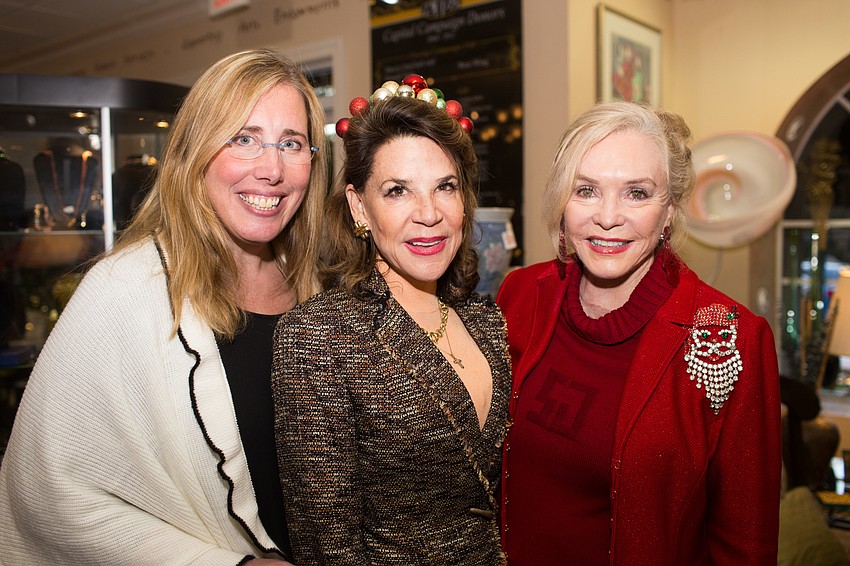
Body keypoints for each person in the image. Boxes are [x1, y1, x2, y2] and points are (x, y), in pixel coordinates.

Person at [0, 48, 328, 565]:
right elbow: (45, 491)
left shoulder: (319, 290)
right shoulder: (125, 290)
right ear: (193, 152)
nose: (272, 168)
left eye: (291, 143)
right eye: (243, 138)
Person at [496, 101, 781, 565]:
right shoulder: (522, 294)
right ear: (562, 203)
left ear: (669, 211)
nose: (608, 217)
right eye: (586, 190)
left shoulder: (734, 339)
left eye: (636, 193)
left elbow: (745, 543)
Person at [271, 75, 511, 565]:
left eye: (445, 187)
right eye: (398, 190)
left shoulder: (489, 321)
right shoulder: (318, 338)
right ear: (360, 206)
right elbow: (327, 546)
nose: (429, 214)